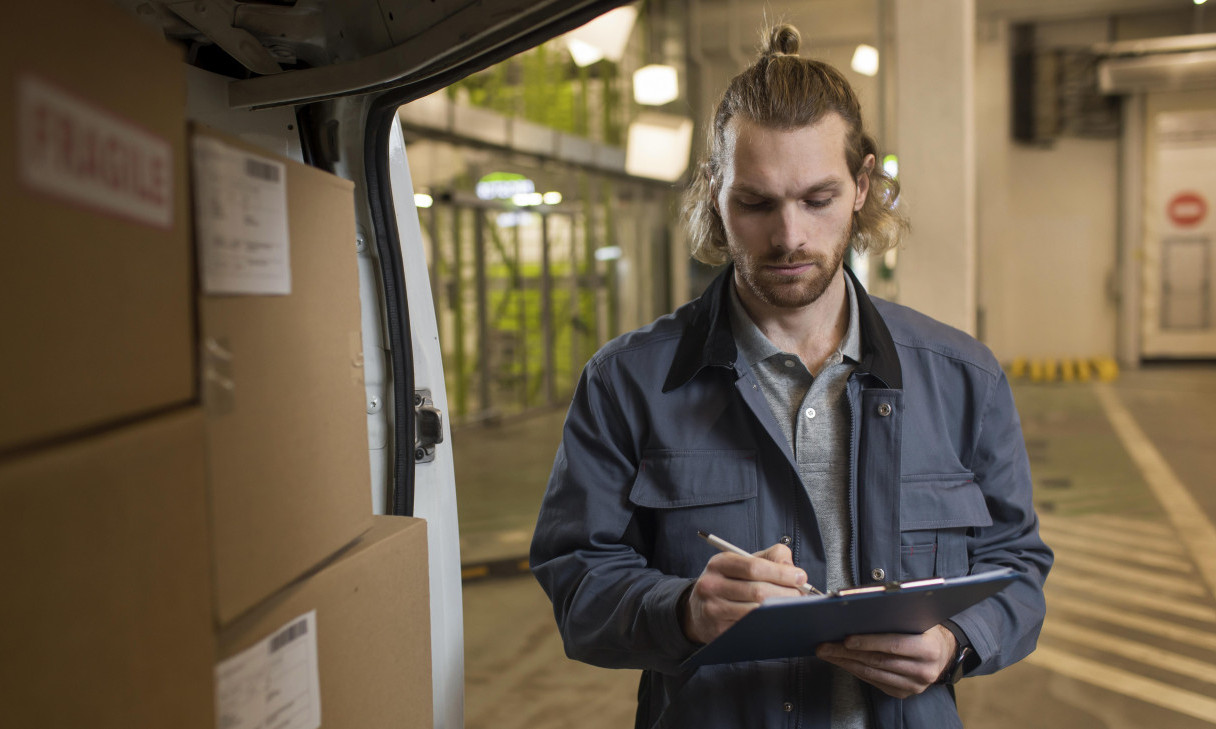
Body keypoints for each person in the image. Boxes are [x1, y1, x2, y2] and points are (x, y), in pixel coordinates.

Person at [530, 22, 1052, 729]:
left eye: (818, 199)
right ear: (715, 192)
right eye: (756, 203)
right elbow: (576, 580)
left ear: (863, 184)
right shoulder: (627, 382)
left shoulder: (963, 378)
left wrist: (955, 642)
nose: (789, 237)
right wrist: (683, 611)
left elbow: (1017, 565)